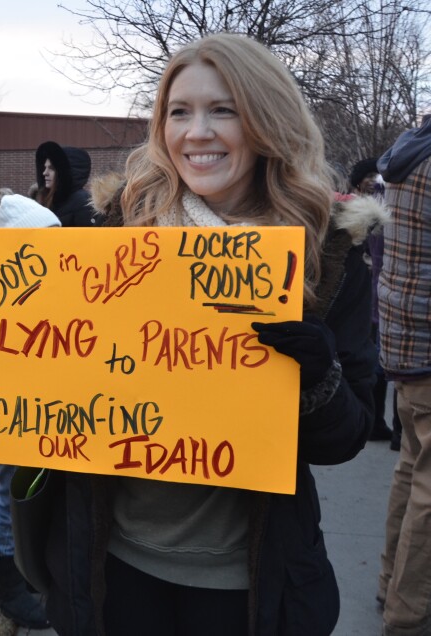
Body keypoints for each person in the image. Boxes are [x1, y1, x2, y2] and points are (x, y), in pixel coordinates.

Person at [44, 33, 378, 635]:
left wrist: (317, 377)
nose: (196, 132)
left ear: (265, 120)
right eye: (179, 112)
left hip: (245, 582)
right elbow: (43, 370)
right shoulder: (116, 232)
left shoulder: (326, 253)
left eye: (222, 109)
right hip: (117, 565)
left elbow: (349, 437)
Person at [0, 193, 59, 630]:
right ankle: (9, 586)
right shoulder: (3, 293)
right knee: (12, 493)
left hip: (39, 411)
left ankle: (16, 578)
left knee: (27, 494)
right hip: (11, 416)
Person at [376, 113, 431, 636]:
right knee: (427, 489)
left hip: (404, 340)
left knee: (412, 471)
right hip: (427, 341)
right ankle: (409, 615)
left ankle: (390, 584)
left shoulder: (409, 152)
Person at [348, 158, 395, 443]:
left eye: (373, 175)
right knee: (375, 359)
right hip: (372, 293)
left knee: (376, 357)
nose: (370, 179)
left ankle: (377, 422)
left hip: (376, 293)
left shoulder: (379, 207)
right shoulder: (364, 209)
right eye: (366, 175)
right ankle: (378, 422)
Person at [34, 140, 100, 227]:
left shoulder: (82, 202)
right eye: (44, 167)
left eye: (51, 168)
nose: (44, 173)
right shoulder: (50, 200)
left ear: (64, 172)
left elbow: (89, 239)